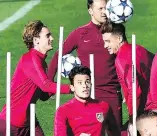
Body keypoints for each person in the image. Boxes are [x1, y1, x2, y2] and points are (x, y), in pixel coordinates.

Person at [47, 0, 123, 129]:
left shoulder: (115, 31)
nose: (104, 12)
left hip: (112, 92)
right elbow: (58, 56)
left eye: (106, 8)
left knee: (115, 132)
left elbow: (124, 59)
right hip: (89, 92)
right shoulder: (80, 33)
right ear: (90, 10)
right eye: (100, 9)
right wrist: (48, 85)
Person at [0, 20, 71, 136]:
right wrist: (72, 88)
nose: (52, 39)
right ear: (36, 40)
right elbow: (46, 85)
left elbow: (43, 95)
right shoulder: (30, 59)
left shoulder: (42, 62)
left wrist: (55, 85)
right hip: (10, 123)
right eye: (48, 36)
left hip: (29, 122)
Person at [100, 21, 154, 134]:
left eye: (108, 41)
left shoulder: (120, 59)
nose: (105, 45)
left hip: (144, 114)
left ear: (119, 38)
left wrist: (132, 119)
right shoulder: (139, 49)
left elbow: (135, 91)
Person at [54, 66, 120, 136]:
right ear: (72, 87)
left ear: (91, 85)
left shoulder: (104, 106)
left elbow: (115, 132)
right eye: (80, 83)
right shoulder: (63, 111)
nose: (85, 86)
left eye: (87, 82)